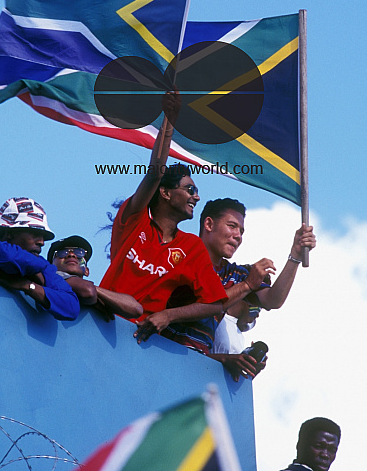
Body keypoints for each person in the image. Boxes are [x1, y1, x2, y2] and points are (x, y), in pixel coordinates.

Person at [99, 91, 228, 345]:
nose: (197, 197)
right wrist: (169, 120)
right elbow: (155, 172)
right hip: (103, 322)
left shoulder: (191, 247)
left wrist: (167, 315)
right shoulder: (135, 220)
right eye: (190, 189)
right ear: (166, 193)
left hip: (142, 342)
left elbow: (216, 304)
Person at [178, 198, 316, 380]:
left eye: (241, 231)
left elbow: (273, 300)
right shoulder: (180, 255)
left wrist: (295, 256)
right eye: (232, 226)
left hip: (195, 368)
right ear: (209, 224)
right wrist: (247, 285)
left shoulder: (235, 273)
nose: (238, 236)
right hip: (159, 353)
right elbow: (208, 303)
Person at [0, 197, 80, 321]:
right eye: (35, 233)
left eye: (43, 237)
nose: (41, 242)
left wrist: (28, 286)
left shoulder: (45, 268)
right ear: (9, 233)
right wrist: (36, 273)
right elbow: (10, 257)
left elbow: (71, 307)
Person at [47, 235, 143, 320]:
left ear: (87, 271)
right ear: (51, 266)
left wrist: (96, 294)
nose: (71, 254)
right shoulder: (48, 277)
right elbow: (88, 291)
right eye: (62, 253)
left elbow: (136, 309)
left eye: (79, 253)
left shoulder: (92, 291)